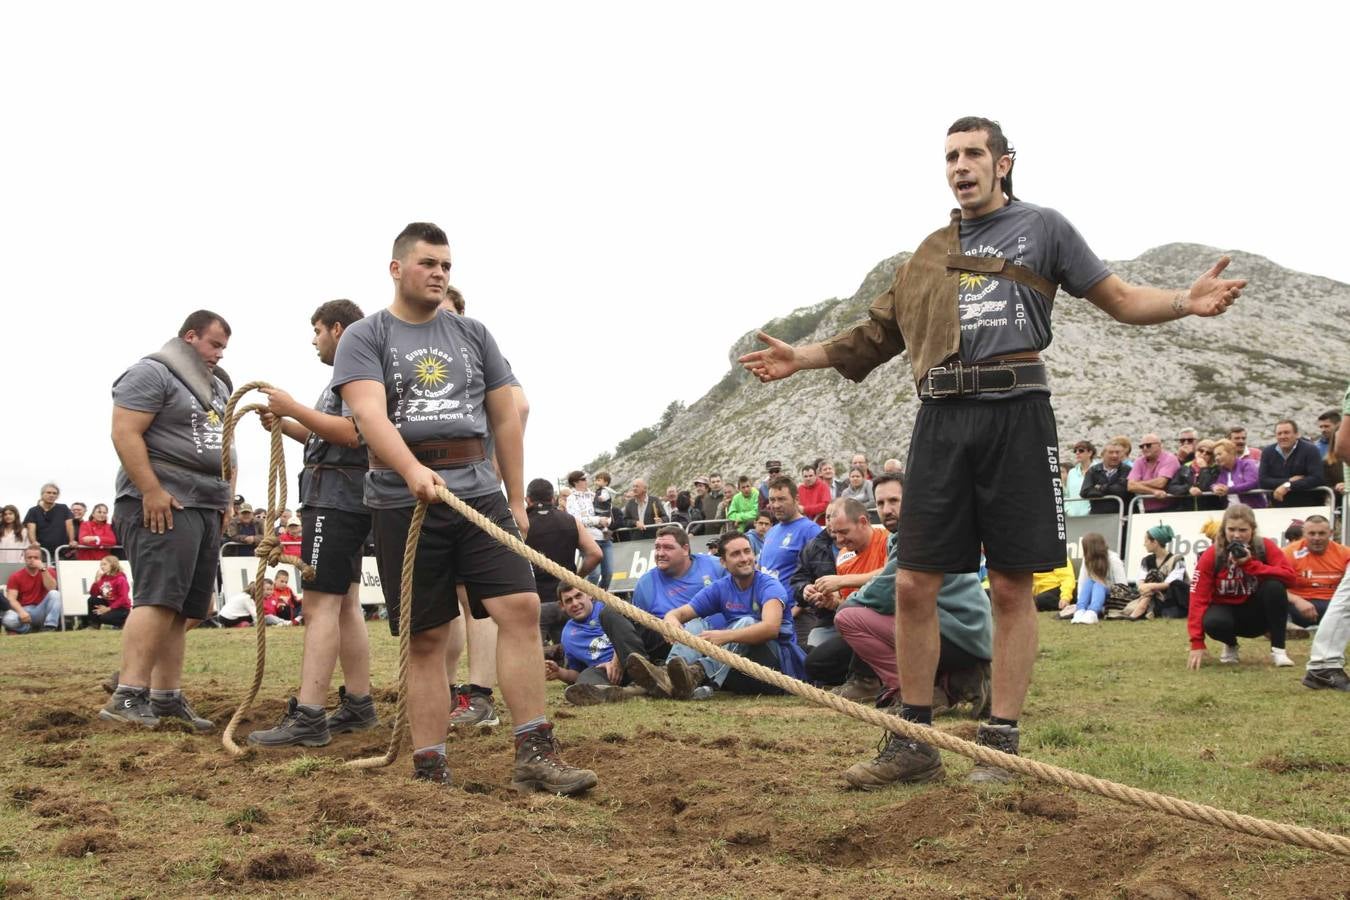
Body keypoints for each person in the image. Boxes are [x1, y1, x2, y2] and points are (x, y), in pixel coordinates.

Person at [739, 115, 1244, 782]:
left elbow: (1120, 299)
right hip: (940, 419)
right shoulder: (926, 255)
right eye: (950, 156)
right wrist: (801, 357)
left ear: (1003, 163)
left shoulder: (1046, 227)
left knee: (1010, 583)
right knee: (913, 581)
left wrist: (1184, 300)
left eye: (973, 153)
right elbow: (875, 335)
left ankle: (1000, 741)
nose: (960, 166)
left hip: (1017, 413)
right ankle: (914, 742)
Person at [333, 222, 594, 792]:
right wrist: (411, 470)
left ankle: (535, 754)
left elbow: (507, 414)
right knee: (427, 636)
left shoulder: (474, 334)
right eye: (428, 263)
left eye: (446, 265)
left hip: (478, 492)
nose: (439, 273)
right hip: (402, 501)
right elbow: (368, 415)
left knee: (521, 607)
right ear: (396, 268)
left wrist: (516, 497)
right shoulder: (364, 336)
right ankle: (430, 769)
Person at [246, 298, 379, 748]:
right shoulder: (355, 373)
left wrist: (293, 406)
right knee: (345, 603)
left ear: (337, 329)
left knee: (321, 605)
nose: (313, 340)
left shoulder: (354, 373)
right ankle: (358, 703)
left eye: (317, 330)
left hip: (335, 501)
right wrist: (285, 423)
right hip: (347, 497)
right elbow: (330, 436)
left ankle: (309, 714)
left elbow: (352, 434)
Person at [100, 310, 235, 732]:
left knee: (185, 607)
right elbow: (124, 432)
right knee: (158, 599)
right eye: (214, 344)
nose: (219, 354)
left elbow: (224, 444)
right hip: (165, 500)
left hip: (205, 503)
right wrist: (152, 490)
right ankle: (128, 694)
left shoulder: (219, 386)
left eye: (224, 348)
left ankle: (165, 696)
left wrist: (227, 498)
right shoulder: (151, 372)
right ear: (190, 336)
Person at [634, 530, 805, 699]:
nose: (744, 558)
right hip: (738, 667)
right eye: (736, 554)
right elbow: (680, 613)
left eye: (747, 551)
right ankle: (668, 676)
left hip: (776, 667)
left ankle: (697, 673)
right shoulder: (720, 587)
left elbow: (771, 629)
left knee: (747, 621)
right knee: (697, 623)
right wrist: (671, 619)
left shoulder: (769, 586)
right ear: (723, 562)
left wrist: (725, 636)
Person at [1187, 504, 1297, 669]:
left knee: (1275, 587)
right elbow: (1197, 597)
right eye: (1231, 529)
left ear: (1252, 529)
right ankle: (1230, 644)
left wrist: (1251, 565)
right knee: (1213, 622)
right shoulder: (1212, 554)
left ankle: (1278, 650)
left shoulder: (1264, 547)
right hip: (1225, 611)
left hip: (1257, 614)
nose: (1237, 535)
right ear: (1223, 529)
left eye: (1243, 530)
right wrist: (1197, 642)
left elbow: (1290, 578)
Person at [630, 525, 726, 663]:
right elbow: (636, 630)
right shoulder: (645, 584)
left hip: (723, 643)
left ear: (685, 549)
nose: (660, 553)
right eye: (657, 547)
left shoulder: (716, 566)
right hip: (671, 647)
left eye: (668, 548)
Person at [525, 478, 601, 646]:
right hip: (567, 600)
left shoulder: (522, 525)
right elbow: (595, 554)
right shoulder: (570, 520)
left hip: (536, 601)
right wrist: (575, 578)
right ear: (553, 498)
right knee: (570, 652)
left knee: (536, 655)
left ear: (527, 500)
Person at [544, 584, 649, 705]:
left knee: (610, 614)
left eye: (578, 596)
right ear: (562, 606)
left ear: (589, 594)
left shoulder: (607, 607)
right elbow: (577, 671)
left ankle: (645, 678)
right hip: (608, 674)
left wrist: (616, 660)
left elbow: (632, 632)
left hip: (636, 657)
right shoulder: (568, 636)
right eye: (568, 600)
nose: (575, 603)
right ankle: (625, 692)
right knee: (585, 677)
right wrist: (560, 673)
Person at [1282, 515, 1349, 627]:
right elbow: (1275, 586)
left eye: (1322, 533)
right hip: (1299, 605)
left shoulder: (1345, 554)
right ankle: (1287, 626)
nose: (1317, 538)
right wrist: (1297, 600)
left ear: (1330, 533)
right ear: (1304, 533)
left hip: (1336, 605)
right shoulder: (1289, 553)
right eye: (1312, 533)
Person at [757, 476, 822, 589]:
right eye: (772, 500)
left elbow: (821, 575)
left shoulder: (810, 530)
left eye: (781, 499)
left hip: (792, 600)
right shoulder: (771, 531)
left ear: (796, 499)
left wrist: (801, 601)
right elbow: (760, 568)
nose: (776, 505)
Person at [1258, 420, 1325, 507]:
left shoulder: (1310, 450)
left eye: (1286, 433)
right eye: (1279, 433)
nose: (1283, 436)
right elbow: (1263, 481)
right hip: (1278, 506)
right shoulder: (1268, 452)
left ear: (1297, 434)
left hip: (1308, 506)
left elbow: (1317, 478)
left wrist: (1288, 486)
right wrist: (1288, 481)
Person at [565, 471, 614, 591]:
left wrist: (607, 521)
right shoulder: (571, 499)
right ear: (575, 482)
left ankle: (599, 598)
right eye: (583, 479)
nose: (587, 481)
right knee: (594, 574)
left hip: (604, 537)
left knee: (608, 574)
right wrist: (598, 520)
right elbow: (576, 520)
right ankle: (588, 597)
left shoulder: (594, 494)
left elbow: (608, 510)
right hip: (588, 539)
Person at [1128, 525, 1188, 620]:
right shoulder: (1146, 560)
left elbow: (1170, 584)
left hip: (1170, 598)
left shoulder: (1177, 559)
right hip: (1150, 595)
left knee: (1155, 575)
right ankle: (1143, 607)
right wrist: (1144, 587)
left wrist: (1150, 586)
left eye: (1146, 541)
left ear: (1155, 542)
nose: (1144, 544)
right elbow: (1140, 581)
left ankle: (1141, 608)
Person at [3, 545, 63, 633]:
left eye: (36, 557)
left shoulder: (49, 571)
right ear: (25, 559)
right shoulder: (15, 576)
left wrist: (42, 569)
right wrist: (21, 612)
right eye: (29, 557)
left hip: (42, 609)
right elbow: (11, 599)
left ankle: (50, 626)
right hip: (24, 610)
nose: (32, 560)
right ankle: (28, 630)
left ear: (41, 559)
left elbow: (52, 588)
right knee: (7, 620)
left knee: (55, 593)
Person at [1067, 533, 1116, 625]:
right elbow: (1082, 582)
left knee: (1098, 584)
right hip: (1094, 596)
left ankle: (1093, 612)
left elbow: (1122, 585)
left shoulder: (1113, 559)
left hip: (1112, 597)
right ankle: (1080, 611)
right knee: (1089, 582)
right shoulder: (1087, 560)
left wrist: (1104, 584)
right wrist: (1080, 602)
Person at [1127, 434, 1180, 513]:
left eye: (1148, 445)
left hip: (1170, 509)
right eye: (1141, 446)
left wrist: (1138, 483)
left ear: (1159, 445)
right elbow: (1130, 486)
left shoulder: (1170, 459)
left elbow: (1160, 483)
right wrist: (1153, 491)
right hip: (1146, 510)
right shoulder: (1139, 461)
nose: (1144, 448)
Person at [1079, 438, 1132, 515]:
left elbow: (1122, 491)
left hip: (1122, 516)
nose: (1114, 455)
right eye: (1111, 452)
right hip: (1099, 516)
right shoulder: (1093, 470)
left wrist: (1100, 488)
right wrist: (1110, 489)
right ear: (1103, 455)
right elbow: (1084, 492)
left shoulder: (1127, 469)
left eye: (1117, 452)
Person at [1166, 440, 1222, 511]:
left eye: (1208, 453)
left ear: (1212, 456)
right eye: (1201, 450)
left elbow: (1205, 486)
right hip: (1187, 509)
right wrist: (1188, 489)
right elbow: (1171, 487)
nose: (1203, 454)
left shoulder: (1216, 469)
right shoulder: (1185, 467)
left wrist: (1204, 469)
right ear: (1196, 451)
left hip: (1209, 509)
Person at [23, 483, 73, 561]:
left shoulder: (63, 508)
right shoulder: (33, 511)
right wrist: (34, 542)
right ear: (42, 494)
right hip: (42, 551)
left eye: (54, 493)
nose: (51, 495)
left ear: (57, 496)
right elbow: (31, 529)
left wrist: (71, 540)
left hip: (62, 551)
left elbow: (69, 526)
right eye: (48, 492)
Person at [1210, 438, 1265, 508]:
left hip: (1252, 509)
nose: (1216, 458)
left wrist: (1229, 490)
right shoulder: (1224, 471)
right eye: (1215, 455)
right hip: (1231, 510)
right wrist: (1215, 488)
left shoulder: (1247, 464)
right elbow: (1217, 484)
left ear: (1231, 453)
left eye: (1219, 454)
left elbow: (1252, 483)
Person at [88, 555, 132, 629]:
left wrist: (108, 609)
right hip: (109, 604)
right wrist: (96, 581)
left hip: (122, 608)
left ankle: (125, 622)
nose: (102, 567)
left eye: (104, 564)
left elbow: (123, 598)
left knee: (104, 618)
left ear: (113, 565)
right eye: (101, 565)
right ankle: (94, 625)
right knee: (92, 600)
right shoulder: (103, 577)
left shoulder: (121, 579)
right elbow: (93, 594)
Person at [1063, 441, 1094, 517]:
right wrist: (1068, 509)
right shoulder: (1072, 472)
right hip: (1073, 516)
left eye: (1081, 450)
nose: (1077, 453)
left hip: (1093, 515)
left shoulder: (1098, 469)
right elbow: (1067, 494)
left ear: (1090, 453)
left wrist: (1090, 510)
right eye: (1075, 451)